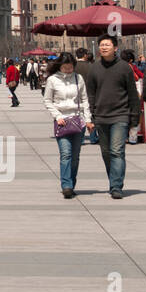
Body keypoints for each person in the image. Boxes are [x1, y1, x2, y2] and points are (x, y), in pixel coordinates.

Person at [84, 36, 140, 198]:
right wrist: (91, 117)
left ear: (115, 48)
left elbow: (132, 94)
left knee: (117, 151)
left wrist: (134, 119)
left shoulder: (124, 68)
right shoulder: (94, 68)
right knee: (106, 153)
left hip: (120, 115)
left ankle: (116, 186)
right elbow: (91, 94)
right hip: (101, 117)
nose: (104, 47)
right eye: (102, 45)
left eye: (107, 45)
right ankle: (113, 180)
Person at [42, 52, 93, 198]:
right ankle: (66, 185)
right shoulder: (52, 80)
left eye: (70, 68)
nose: (68, 70)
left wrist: (88, 119)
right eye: (65, 68)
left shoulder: (79, 78)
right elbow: (47, 101)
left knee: (75, 156)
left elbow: (84, 100)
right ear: (60, 66)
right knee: (66, 154)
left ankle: (72, 182)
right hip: (62, 121)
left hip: (78, 121)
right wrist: (57, 116)